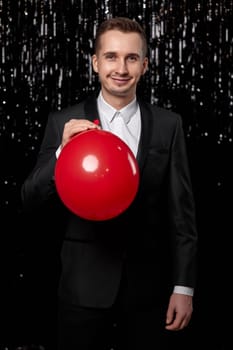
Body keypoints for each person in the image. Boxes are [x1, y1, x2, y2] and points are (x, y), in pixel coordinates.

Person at [21, 17, 198, 350]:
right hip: (82, 290)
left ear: (144, 65)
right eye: (112, 56)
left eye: (132, 58)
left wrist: (183, 288)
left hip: (149, 293)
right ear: (95, 62)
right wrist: (62, 151)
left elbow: (182, 216)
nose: (121, 67)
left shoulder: (168, 125)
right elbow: (30, 198)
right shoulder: (62, 121)